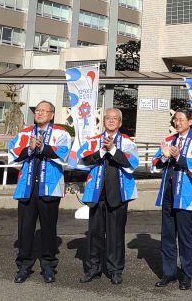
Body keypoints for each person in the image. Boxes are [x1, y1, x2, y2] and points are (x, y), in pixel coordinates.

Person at [8, 100, 71, 284]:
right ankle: (23, 266)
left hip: (50, 187)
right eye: (37, 110)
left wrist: (42, 147)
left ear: (52, 114)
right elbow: (12, 151)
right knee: (25, 229)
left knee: (48, 229)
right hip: (27, 187)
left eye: (44, 111)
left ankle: (49, 266)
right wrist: (30, 148)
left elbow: (64, 152)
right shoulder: (25, 132)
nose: (40, 113)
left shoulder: (61, 132)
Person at [77, 108, 138, 285]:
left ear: (120, 123)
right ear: (103, 121)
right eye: (108, 118)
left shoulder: (127, 142)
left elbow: (132, 163)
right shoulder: (94, 140)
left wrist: (112, 150)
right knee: (94, 233)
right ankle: (93, 268)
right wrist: (102, 152)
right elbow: (82, 160)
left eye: (115, 119)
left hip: (118, 194)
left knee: (116, 234)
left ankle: (115, 270)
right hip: (96, 193)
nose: (111, 121)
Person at [152, 109, 192, 291]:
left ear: (190, 121)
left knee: (185, 237)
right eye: (175, 119)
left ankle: (186, 275)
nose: (177, 122)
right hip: (168, 193)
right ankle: (168, 273)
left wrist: (177, 157)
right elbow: (155, 163)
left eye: (181, 119)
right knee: (167, 236)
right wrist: (164, 156)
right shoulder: (168, 140)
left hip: (185, 195)